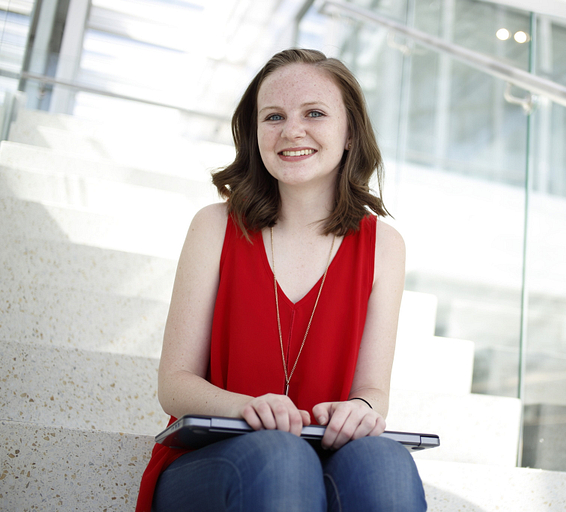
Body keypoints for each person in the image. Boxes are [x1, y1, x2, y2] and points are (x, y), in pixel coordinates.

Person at [135, 48, 427, 512]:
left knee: (384, 462)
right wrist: (246, 410)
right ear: (255, 134)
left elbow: (372, 391)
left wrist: (362, 411)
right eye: (273, 116)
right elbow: (174, 384)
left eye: (314, 113)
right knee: (283, 457)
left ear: (350, 133)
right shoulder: (215, 226)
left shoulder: (384, 245)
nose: (292, 131)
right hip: (212, 462)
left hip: (326, 455)